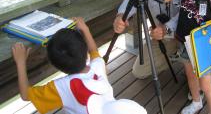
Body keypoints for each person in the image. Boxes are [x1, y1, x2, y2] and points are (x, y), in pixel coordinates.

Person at [12, 17, 147, 114]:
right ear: (84, 51)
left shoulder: (61, 87)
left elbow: (25, 95)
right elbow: (94, 52)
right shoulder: (98, 66)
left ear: (56, 65)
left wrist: (21, 62)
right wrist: (85, 29)